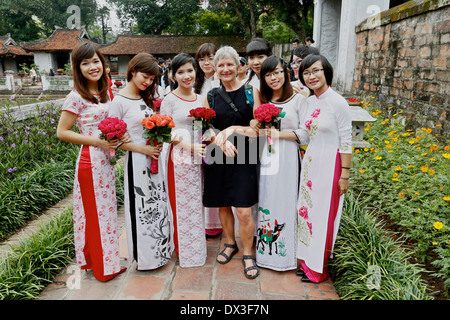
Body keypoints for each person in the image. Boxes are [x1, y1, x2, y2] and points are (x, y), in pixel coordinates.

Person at [56, 42, 127, 282]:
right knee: (97, 214)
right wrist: (98, 142)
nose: (92, 67)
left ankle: (99, 260)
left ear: (103, 63)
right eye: (85, 63)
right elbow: (62, 132)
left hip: (106, 161)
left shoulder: (107, 92)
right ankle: (104, 269)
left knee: (104, 213)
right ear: (78, 68)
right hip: (90, 161)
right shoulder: (76, 96)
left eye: (95, 61)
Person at [108, 53, 173, 271]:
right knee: (143, 209)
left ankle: (161, 251)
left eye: (152, 79)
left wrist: (159, 140)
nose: (148, 82)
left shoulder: (143, 98)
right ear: (133, 71)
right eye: (145, 76)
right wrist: (142, 148)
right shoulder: (118, 101)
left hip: (154, 162)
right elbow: (111, 140)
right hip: (136, 163)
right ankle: (146, 258)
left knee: (158, 206)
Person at [202, 46, 262, 279]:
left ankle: (248, 252)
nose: (226, 69)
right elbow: (204, 127)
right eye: (221, 65)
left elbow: (258, 129)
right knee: (223, 204)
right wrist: (219, 140)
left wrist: (233, 130)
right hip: (218, 156)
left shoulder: (250, 92)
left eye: (230, 64)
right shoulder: (211, 96)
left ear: (239, 66)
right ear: (215, 69)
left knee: (244, 210)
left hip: (245, 156)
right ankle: (230, 243)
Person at [295, 54, 352, 283]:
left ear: (326, 71)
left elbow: (347, 141)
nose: (311, 76)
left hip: (331, 165)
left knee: (324, 216)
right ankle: (306, 262)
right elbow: (306, 134)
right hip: (311, 163)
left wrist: (345, 174)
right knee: (306, 211)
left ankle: (319, 270)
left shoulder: (338, 102)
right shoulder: (310, 101)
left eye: (316, 70)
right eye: (306, 72)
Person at [254, 56, 308, 271]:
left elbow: (305, 134)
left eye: (277, 72)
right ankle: (264, 253)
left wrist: (278, 134)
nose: (273, 78)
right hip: (265, 157)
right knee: (265, 199)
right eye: (267, 74)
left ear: (286, 72)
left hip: (287, 158)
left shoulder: (299, 100)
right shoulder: (264, 102)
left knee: (286, 200)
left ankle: (285, 256)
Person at [160, 53, 207, 268]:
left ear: (196, 72)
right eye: (181, 72)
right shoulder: (169, 100)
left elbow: (203, 126)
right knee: (180, 204)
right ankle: (184, 251)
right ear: (172, 75)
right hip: (179, 157)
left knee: (196, 203)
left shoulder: (200, 97)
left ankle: (197, 250)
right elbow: (165, 132)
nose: (186, 76)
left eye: (190, 70)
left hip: (199, 156)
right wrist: (189, 146)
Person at [194, 43, 222, 238]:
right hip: (197, 135)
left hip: (218, 134)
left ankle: (216, 223)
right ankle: (200, 222)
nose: (206, 62)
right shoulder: (194, 81)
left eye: (210, 58)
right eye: (202, 59)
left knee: (215, 177)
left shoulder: (223, 82)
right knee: (199, 178)